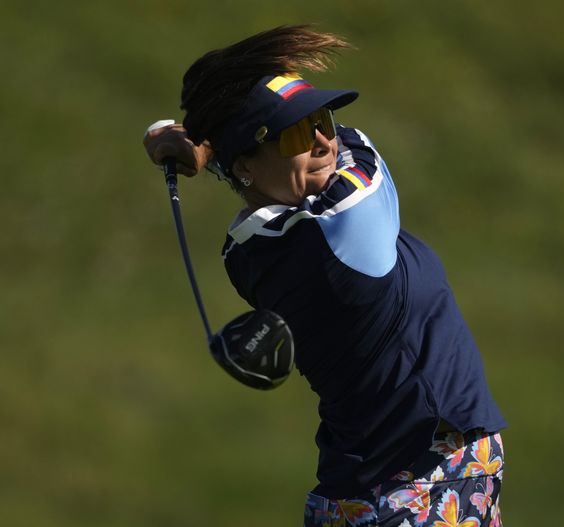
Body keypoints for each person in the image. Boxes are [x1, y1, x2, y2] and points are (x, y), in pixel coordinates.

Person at [143, 25, 506, 527]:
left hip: (382, 489)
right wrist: (207, 151)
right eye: (295, 131)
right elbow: (361, 150)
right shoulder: (344, 226)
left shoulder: (245, 252)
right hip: (416, 488)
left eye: (323, 119)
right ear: (245, 164)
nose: (321, 140)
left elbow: (296, 165)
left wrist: (211, 153)